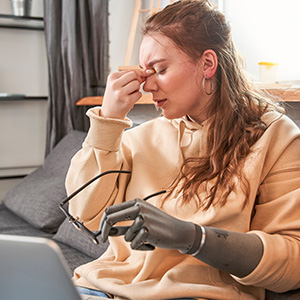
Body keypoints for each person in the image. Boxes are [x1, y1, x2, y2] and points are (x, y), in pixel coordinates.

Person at [65, 1, 300, 299]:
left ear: (207, 64)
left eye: (160, 69)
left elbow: (293, 262)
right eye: (145, 71)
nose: (147, 85)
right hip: (96, 289)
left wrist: (193, 238)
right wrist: (107, 122)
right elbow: (84, 215)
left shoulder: (276, 138)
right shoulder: (140, 137)